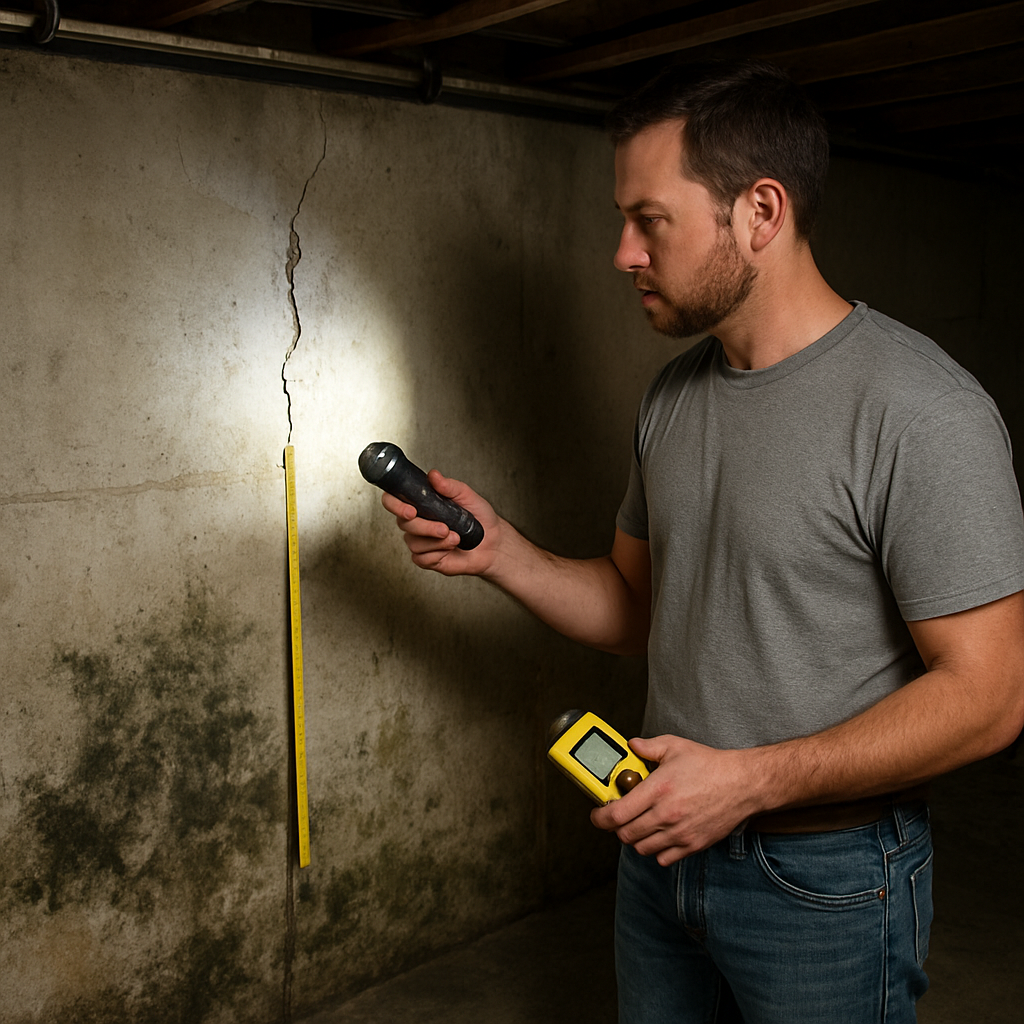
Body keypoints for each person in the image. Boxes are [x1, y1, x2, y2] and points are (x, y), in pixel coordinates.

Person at [378, 59, 1024, 1023]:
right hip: (662, 852)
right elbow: (637, 609)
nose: (622, 253)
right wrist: (501, 551)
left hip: (828, 881)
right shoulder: (673, 396)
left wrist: (749, 782)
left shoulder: (922, 412)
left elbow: (991, 698)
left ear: (760, 212)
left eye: (651, 220)